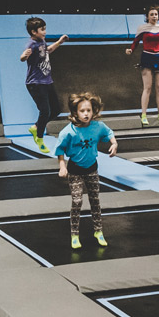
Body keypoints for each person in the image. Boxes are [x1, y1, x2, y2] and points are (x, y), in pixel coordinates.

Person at [55, 92, 116, 249]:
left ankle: (98, 231)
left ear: (93, 111)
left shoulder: (98, 127)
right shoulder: (67, 132)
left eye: (88, 110)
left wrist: (114, 144)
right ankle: (74, 235)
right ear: (75, 112)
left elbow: (109, 133)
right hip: (75, 170)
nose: (86, 114)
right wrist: (62, 166)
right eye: (82, 111)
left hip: (92, 169)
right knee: (77, 201)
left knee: (95, 199)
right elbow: (60, 150)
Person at [126, 6, 159, 126]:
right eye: (152, 14)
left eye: (156, 14)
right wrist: (130, 50)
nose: (154, 17)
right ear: (147, 17)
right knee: (148, 87)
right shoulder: (142, 28)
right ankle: (144, 115)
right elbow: (135, 42)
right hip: (147, 58)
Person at [20, 17, 68, 153]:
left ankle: (36, 127)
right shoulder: (31, 44)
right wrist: (24, 55)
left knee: (56, 110)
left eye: (45, 28)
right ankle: (39, 138)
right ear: (34, 32)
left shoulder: (41, 41)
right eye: (42, 29)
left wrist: (59, 42)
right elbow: (22, 57)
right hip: (35, 83)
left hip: (47, 81)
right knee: (45, 110)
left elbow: (48, 50)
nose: (45, 32)